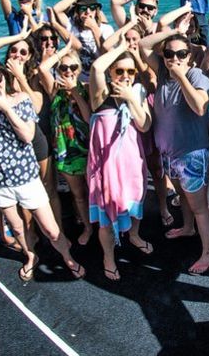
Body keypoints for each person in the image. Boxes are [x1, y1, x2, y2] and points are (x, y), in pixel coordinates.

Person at [0, 47, 84, 281]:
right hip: (0, 181)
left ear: (5, 80)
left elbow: (27, 135)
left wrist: (6, 108)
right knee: (17, 228)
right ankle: (30, 256)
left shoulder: (21, 100)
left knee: (49, 228)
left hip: (27, 179)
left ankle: (68, 258)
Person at [138, 18, 209, 275]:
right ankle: (188, 228)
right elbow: (143, 43)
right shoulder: (161, 70)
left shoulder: (196, 75)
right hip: (169, 154)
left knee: (200, 206)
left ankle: (208, 253)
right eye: (169, 53)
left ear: (189, 56)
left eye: (181, 53)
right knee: (182, 196)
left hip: (192, 155)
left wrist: (181, 75)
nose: (175, 58)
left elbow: (200, 106)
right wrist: (175, 32)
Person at [88, 31, 153, 280]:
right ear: (111, 72)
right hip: (105, 168)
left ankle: (134, 235)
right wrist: (122, 48)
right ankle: (108, 256)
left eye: (130, 71)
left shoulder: (137, 91)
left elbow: (145, 125)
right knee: (106, 215)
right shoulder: (100, 95)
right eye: (120, 71)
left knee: (135, 204)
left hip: (131, 164)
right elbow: (96, 67)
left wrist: (131, 99)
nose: (125, 76)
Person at [38, 46, 93, 245]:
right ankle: (88, 227)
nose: (68, 71)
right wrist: (64, 52)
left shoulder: (86, 89)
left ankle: (103, 226)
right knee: (78, 196)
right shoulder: (54, 90)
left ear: (79, 69)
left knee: (95, 193)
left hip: (87, 150)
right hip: (66, 153)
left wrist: (74, 92)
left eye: (73, 67)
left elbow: (88, 119)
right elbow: (43, 68)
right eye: (63, 68)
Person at [53, 0, 114, 81]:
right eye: (83, 9)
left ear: (97, 10)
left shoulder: (106, 29)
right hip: (80, 81)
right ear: (77, 10)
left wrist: (94, 29)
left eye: (92, 8)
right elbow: (56, 9)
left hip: (100, 81)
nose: (88, 12)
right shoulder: (71, 24)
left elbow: (107, 56)